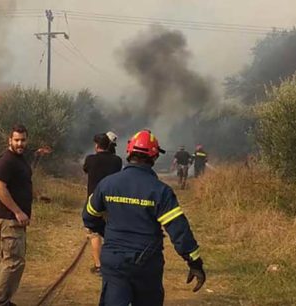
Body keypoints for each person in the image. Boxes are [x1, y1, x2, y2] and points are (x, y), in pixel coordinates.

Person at [83, 129, 206, 305]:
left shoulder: (107, 184)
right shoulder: (160, 191)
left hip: (114, 260)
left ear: (128, 153)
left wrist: (108, 234)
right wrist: (194, 262)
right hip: (146, 263)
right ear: (154, 158)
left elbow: (89, 217)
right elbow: (179, 230)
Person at [0, 124, 33, 306]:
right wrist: (17, 211)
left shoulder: (19, 158)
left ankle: (4, 300)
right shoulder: (6, 161)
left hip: (12, 219)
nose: (20, 143)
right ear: (10, 140)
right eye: (16, 140)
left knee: (11, 261)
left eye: (22, 140)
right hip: (9, 219)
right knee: (12, 263)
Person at [83, 133, 123, 276]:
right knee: (111, 231)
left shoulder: (91, 159)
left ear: (96, 145)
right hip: (112, 201)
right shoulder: (117, 161)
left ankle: (99, 266)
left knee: (94, 233)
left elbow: (86, 169)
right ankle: (115, 263)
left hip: (93, 201)